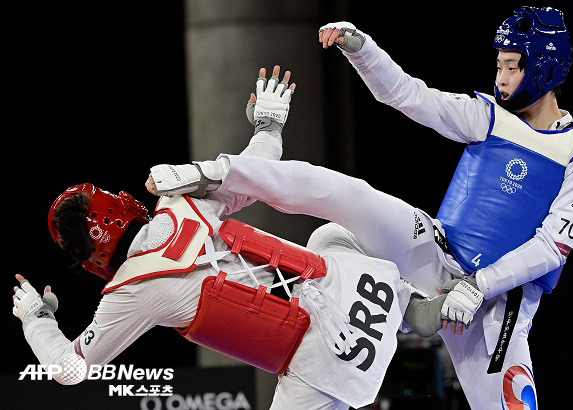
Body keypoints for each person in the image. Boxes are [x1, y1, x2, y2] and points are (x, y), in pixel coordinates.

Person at [152, 7, 573, 409]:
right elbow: (407, 95)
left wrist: (479, 287)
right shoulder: (489, 116)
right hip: (434, 252)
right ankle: (219, 173)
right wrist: (361, 48)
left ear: (544, 68)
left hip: (497, 304)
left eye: (512, 67)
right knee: (344, 200)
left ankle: (405, 303)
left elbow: (551, 248)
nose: (500, 78)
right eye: (498, 65)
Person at [12, 66, 449, 410]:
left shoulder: (129, 294)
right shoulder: (182, 203)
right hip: (360, 286)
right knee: (329, 233)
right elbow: (258, 171)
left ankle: (407, 310)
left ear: (88, 254)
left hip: (325, 361)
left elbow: (68, 369)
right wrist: (269, 127)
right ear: (120, 205)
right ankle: (409, 304)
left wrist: (36, 319)